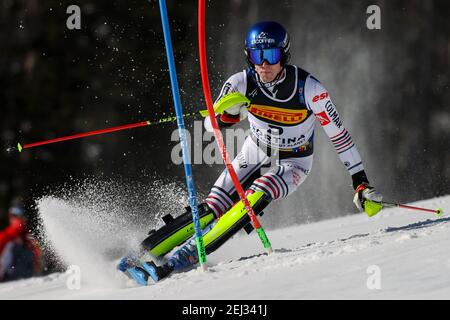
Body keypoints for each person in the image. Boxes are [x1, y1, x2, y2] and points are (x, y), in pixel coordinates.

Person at [119, 21, 383, 284]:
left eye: (271, 55)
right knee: (214, 206)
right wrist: (229, 115)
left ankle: (183, 258)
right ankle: (142, 252)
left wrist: (359, 180)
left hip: (295, 159)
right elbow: (211, 124)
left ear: (284, 54)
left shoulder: (310, 90)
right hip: (256, 149)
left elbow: (339, 135)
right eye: (258, 56)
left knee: (257, 193)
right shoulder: (240, 82)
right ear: (249, 56)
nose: (264, 64)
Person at [0, 205, 42, 282]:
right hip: (16, 276)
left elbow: (37, 250)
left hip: (18, 277)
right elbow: (37, 249)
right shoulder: (24, 233)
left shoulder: (18, 231)